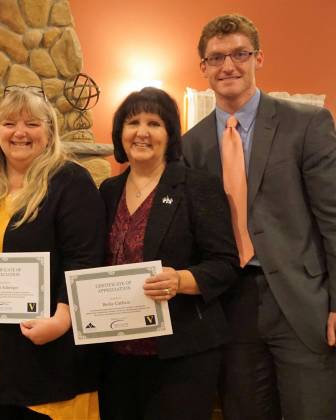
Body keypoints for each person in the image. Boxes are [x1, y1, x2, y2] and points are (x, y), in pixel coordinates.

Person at [182, 14, 336, 420]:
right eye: (216, 58)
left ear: (258, 58)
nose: (228, 65)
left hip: (302, 303)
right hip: (231, 305)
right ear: (203, 68)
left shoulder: (306, 123)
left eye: (239, 54)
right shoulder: (191, 145)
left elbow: (333, 220)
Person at [0, 86, 105, 420]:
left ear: (50, 131)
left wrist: (62, 320)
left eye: (31, 123)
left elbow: (84, 260)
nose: (19, 133)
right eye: (9, 123)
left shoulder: (71, 182)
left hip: (46, 352)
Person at [97, 87, 240, 420]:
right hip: (116, 353)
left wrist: (181, 280)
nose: (142, 132)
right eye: (133, 122)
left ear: (170, 134)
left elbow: (226, 264)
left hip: (182, 353)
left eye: (154, 123)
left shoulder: (196, 186)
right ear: (120, 133)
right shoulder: (108, 191)